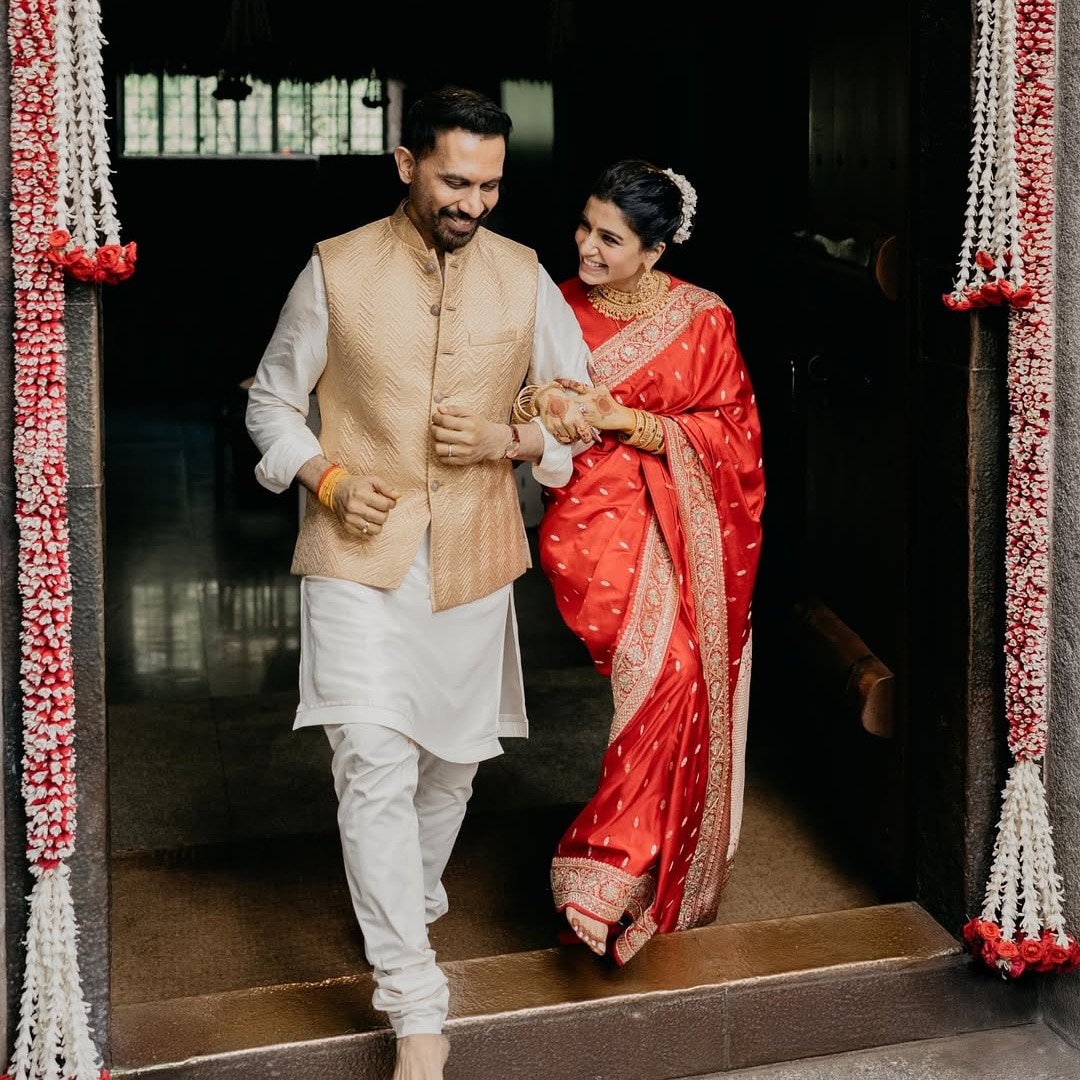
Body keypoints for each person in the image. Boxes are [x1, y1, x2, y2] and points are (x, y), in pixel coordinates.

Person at [244, 85, 592, 1080]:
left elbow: (575, 421)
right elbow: (271, 405)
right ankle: (415, 1003)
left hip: (476, 556)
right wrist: (328, 476)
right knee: (370, 760)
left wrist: (511, 437)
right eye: (452, 179)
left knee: (452, 764)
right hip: (356, 560)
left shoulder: (526, 279)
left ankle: (402, 898)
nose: (471, 201)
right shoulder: (336, 271)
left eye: (487, 184)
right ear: (406, 164)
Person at [531, 159, 766, 965]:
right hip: (593, 519)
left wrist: (627, 418)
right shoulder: (552, 307)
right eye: (585, 227)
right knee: (657, 672)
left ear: (656, 249)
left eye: (610, 238)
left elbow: (734, 437)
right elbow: (521, 400)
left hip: (679, 514)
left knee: (676, 675)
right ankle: (628, 856)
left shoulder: (703, 320)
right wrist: (552, 409)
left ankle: (614, 866)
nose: (585, 248)